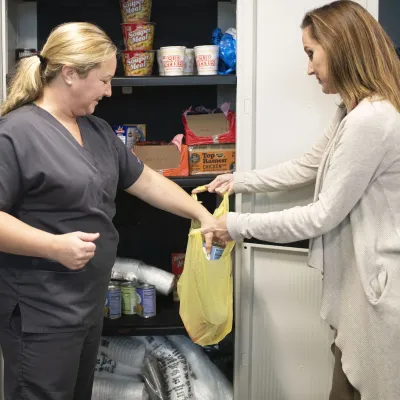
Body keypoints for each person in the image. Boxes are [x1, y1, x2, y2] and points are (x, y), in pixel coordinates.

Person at [0, 22, 216, 400]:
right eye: (103, 79)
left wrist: (201, 214)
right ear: (69, 73)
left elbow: (145, 181)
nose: (109, 90)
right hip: (40, 311)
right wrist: (54, 246)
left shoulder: (97, 131)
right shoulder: (15, 134)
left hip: (85, 304)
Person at [198, 1, 400, 399]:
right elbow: (309, 166)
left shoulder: (372, 120)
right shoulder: (352, 109)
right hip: (364, 287)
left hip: (378, 295)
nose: (308, 68)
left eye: (311, 54)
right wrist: (238, 182)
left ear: (341, 47)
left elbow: (320, 216)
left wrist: (234, 226)